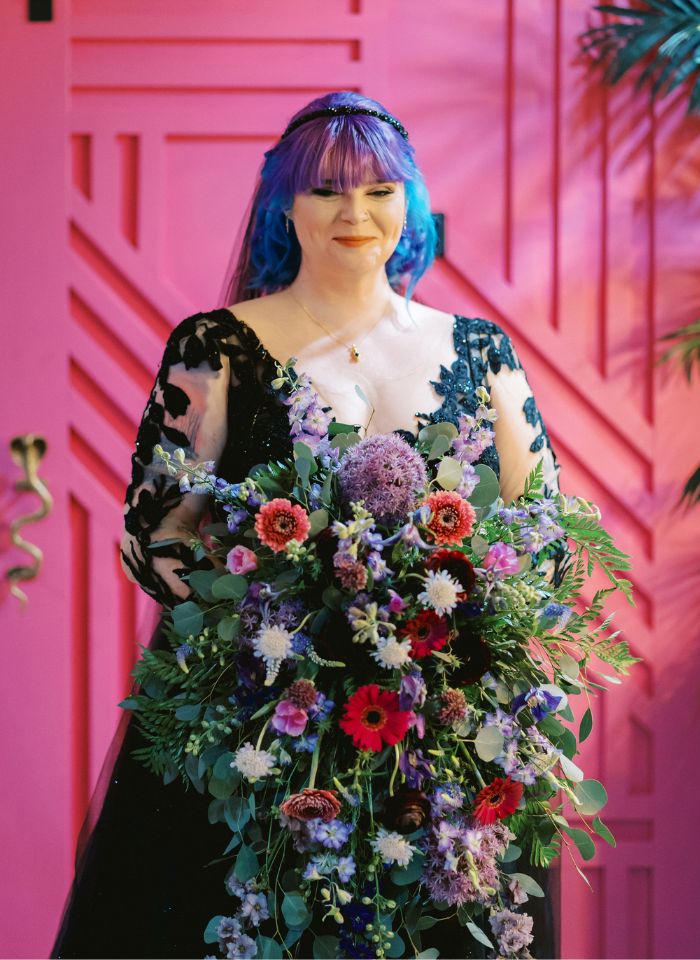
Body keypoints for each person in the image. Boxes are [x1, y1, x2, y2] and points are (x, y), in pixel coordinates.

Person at [52, 91, 563, 959]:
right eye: (326, 191)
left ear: (411, 201)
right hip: (256, 721)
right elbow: (157, 533)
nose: (355, 214)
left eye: (379, 189)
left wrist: (456, 625)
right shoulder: (216, 345)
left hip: (443, 733)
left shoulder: (483, 350)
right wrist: (270, 622)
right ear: (284, 206)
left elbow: (543, 531)